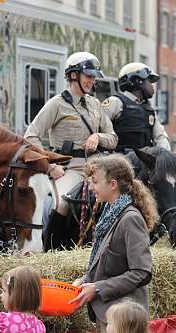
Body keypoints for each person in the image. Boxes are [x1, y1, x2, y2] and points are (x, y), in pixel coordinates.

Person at [70, 154, 156, 333]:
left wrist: (97, 287)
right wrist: (86, 280)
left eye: (95, 181)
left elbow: (142, 271)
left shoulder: (130, 219)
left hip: (123, 320)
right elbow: (106, 262)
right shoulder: (111, 214)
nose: (91, 186)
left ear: (113, 184)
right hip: (109, 315)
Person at [24, 51, 117, 244]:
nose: (93, 81)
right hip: (69, 168)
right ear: (74, 75)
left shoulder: (95, 104)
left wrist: (98, 137)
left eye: (94, 77)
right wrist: (49, 166)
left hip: (96, 167)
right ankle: (51, 249)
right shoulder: (56, 104)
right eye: (89, 76)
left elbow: (113, 138)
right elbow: (31, 136)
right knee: (63, 203)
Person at [102, 62, 170, 153]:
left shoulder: (149, 109)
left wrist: (165, 155)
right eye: (149, 81)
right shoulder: (115, 102)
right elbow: (99, 128)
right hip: (119, 162)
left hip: (144, 161)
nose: (152, 86)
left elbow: (160, 136)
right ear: (137, 81)